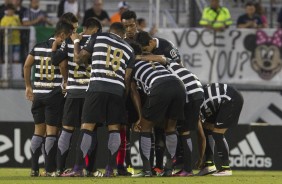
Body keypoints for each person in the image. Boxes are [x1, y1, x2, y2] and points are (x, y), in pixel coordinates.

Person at [63, 22, 135, 177]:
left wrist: (76, 42)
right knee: (114, 129)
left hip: (97, 87)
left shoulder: (99, 37)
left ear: (111, 30)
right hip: (117, 91)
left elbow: (79, 59)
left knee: (87, 127)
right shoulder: (130, 49)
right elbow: (127, 77)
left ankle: (78, 168)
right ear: (122, 34)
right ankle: (110, 169)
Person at [24, 20, 73, 177]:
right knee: (51, 132)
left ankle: (34, 169)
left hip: (38, 93)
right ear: (61, 35)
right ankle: (50, 169)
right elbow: (63, 66)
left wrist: (28, 86)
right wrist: (65, 81)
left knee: (38, 131)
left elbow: (26, 65)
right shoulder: (61, 48)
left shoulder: (38, 46)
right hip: (53, 93)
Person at [129, 42, 185, 177]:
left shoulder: (132, 64)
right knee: (170, 129)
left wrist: (139, 116)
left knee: (145, 128)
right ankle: (169, 169)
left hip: (159, 86)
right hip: (178, 85)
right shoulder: (154, 59)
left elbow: (133, 91)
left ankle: (147, 170)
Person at [197, 83, 244, 176]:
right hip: (218, 101)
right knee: (207, 128)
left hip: (230, 99)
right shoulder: (192, 99)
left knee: (217, 133)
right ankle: (209, 165)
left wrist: (200, 157)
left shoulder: (192, 107)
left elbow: (201, 136)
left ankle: (226, 168)